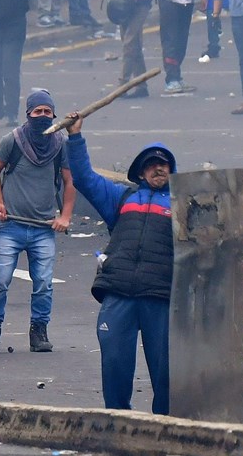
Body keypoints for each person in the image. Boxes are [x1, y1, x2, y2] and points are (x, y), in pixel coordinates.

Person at [65, 113, 176, 415]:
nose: (158, 168)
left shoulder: (183, 205)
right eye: (152, 164)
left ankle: (167, 426)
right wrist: (75, 137)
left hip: (161, 297)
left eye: (164, 164)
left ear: (172, 171)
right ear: (141, 171)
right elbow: (84, 178)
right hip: (118, 293)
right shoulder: (121, 198)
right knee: (114, 362)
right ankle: (117, 421)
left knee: (167, 372)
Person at [0, 89, 76, 355]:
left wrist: (65, 216)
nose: (43, 116)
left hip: (43, 228)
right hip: (10, 226)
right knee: (0, 280)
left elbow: (69, 182)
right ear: (28, 114)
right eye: (38, 112)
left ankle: (39, 331)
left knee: (44, 284)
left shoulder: (60, 145)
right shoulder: (12, 141)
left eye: (47, 112)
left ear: (54, 114)